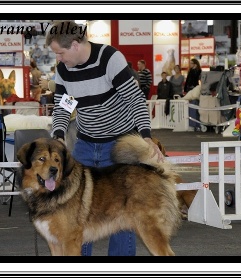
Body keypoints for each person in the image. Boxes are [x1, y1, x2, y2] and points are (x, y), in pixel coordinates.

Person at [46, 20, 164, 257]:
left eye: (60, 52)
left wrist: (147, 137)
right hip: (85, 144)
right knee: (76, 214)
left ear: (76, 45)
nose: (58, 59)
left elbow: (135, 100)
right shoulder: (64, 70)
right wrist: (58, 135)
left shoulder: (110, 59)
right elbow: (63, 106)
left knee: (123, 213)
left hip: (120, 144)